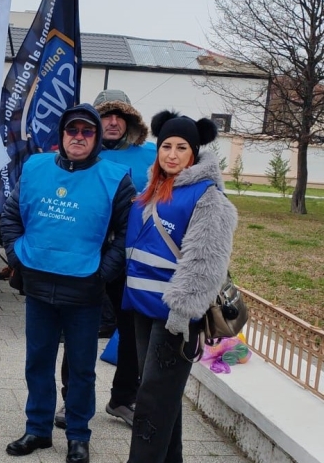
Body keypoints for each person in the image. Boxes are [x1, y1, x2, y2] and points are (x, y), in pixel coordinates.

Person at [0, 103, 135, 463]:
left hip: (85, 291)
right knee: (37, 362)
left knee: (81, 369)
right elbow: (12, 215)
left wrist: (102, 273)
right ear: (61, 135)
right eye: (72, 131)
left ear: (96, 139)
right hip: (39, 287)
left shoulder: (115, 177)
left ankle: (78, 435)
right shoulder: (36, 167)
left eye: (86, 132)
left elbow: (125, 234)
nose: (78, 137)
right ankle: (38, 429)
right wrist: (17, 258)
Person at [123, 111, 237, 463]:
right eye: (166, 146)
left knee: (152, 400)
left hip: (173, 315)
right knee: (160, 394)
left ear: (195, 151)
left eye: (181, 147)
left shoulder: (208, 197)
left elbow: (205, 262)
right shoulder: (153, 188)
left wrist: (182, 312)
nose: (172, 154)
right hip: (142, 305)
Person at [55, 89, 156, 429]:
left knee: (131, 331)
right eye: (106, 115)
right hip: (87, 257)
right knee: (80, 331)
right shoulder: (80, 157)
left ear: (130, 122)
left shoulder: (151, 155)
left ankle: (123, 398)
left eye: (120, 116)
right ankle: (73, 403)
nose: (113, 122)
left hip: (133, 258)